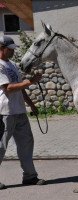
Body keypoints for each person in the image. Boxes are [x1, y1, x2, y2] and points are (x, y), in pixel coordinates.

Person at [0, 35, 46, 190]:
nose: (13, 52)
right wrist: (30, 82)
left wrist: (31, 105)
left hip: (19, 112)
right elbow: (8, 88)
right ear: (2, 48)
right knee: (0, 146)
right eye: (10, 49)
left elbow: (19, 87)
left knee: (26, 144)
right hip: (4, 113)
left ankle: (30, 176)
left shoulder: (12, 64)